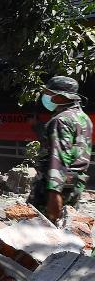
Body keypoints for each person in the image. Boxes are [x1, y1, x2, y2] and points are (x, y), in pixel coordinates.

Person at [30, 75, 92, 225]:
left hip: (55, 186)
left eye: (48, 93)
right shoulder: (83, 118)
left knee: (39, 230)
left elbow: (59, 157)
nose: (45, 96)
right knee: (65, 227)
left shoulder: (61, 120)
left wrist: (54, 191)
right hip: (75, 184)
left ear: (60, 96)